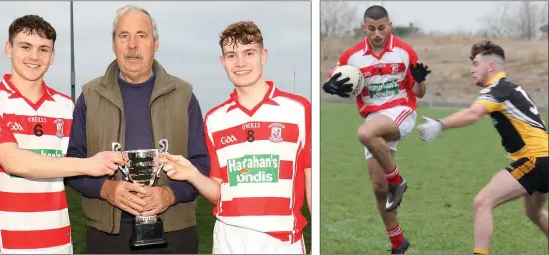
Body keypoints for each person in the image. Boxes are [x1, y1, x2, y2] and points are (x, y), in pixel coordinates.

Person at [0, 15, 124, 254]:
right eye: (25, 47)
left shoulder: (66, 106)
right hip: (2, 246)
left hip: (58, 244)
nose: (34, 57)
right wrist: (89, 165)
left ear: (52, 55)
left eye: (43, 49)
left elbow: (85, 161)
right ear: (9, 49)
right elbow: (12, 161)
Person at [63, 5, 210, 254]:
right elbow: (72, 163)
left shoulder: (184, 95)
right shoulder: (89, 96)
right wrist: (105, 189)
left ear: (155, 43)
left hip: (175, 233)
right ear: (113, 44)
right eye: (124, 36)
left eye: (141, 35)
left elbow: (202, 164)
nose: (132, 45)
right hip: (107, 234)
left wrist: (170, 194)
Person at [158, 21, 312, 254]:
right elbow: (218, 192)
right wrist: (191, 174)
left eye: (248, 53)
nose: (240, 63)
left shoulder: (298, 109)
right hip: (228, 239)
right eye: (231, 55)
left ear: (264, 55)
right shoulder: (214, 119)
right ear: (223, 62)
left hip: (281, 242)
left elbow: (311, 180)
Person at [416, 40, 548, 255]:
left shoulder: (496, 90)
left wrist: (441, 125)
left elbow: (472, 114)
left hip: (536, 160)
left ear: (491, 66)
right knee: (535, 213)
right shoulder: (511, 89)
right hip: (543, 159)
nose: (471, 70)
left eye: (476, 64)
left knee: (482, 202)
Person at [321, 5, 431, 253]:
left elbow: (418, 93)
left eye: (382, 28)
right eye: (372, 29)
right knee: (379, 189)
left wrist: (420, 80)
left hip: (401, 111)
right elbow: (338, 80)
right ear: (364, 28)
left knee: (364, 134)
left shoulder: (404, 52)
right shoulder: (352, 56)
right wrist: (331, 87)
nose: (377, 34)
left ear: (389, 25)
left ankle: (398, 181)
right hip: (374, 116)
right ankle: (398, 242)